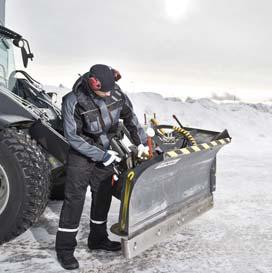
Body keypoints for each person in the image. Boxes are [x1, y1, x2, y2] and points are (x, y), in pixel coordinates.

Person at [55, 64, 148, 270]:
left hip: (107, 151)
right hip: (82, 154)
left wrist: (140, 141)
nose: (107, 94)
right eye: (103, 91)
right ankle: (65, 250)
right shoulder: (73, 100)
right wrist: (100, 155)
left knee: (103, 194)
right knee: (74, 200)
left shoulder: (115, 93)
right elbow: (72, 137)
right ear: (92, 83)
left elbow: (130, 117)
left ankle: (98, 240)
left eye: (110, 90)